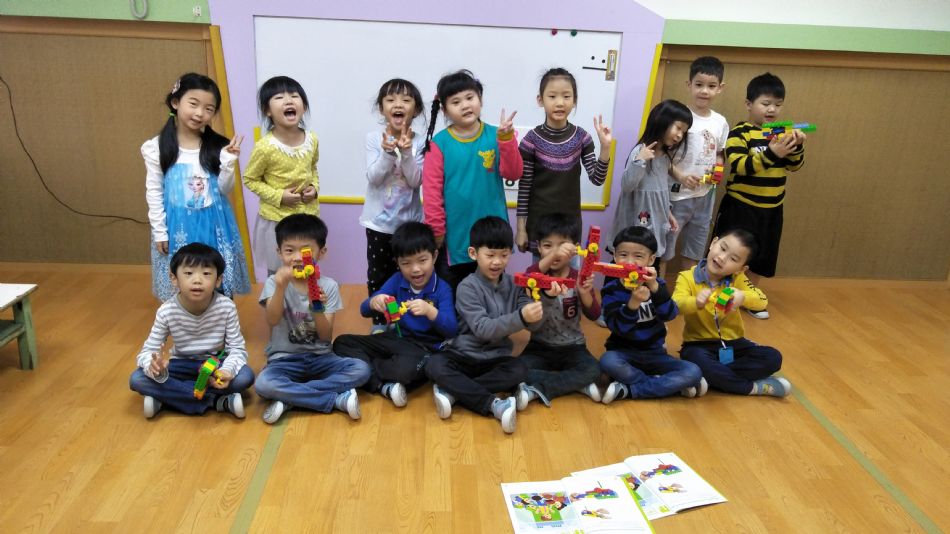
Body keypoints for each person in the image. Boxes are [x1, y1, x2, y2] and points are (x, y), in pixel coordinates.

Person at [143, 72, 250, 302]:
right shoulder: (157, 147)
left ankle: (222, 319)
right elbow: (154, 191)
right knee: (182, 278)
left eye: (209, 109)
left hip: (215, 223)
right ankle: (182, 322)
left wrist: (228, 163)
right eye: (193, 104)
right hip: (177, 225)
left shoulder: (218, 146)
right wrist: (160, 231)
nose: (200, 113)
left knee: (215, 276)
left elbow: (224, 189)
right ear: (175, 102)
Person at [254, 214, 371, 424]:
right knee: (263, 384)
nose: (298, 257)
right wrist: (280, 287)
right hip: (283, 359)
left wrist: (315, 305)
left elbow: (325, 336)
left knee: (361, 370)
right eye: (289, 250)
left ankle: (291, 397)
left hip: (321, 358)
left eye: (306, 251)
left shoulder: (329, 286)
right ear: (279, 252)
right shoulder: (274, 282)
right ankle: (334, 400)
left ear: (321, 252)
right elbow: (272, 320)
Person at [424, 216, 537, 434]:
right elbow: (483, 329)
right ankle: (492, 404)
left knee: (520, 368)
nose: (497, 262)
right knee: (434, 365)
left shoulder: (516, 285)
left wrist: (545, 301)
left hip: (495, 359)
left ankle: (456, 392)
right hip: (463, 356)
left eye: (504, 255)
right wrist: (522, 317)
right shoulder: (467, 287)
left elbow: (533, 325)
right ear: (473, 253)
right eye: (490, 255)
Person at [712, 72, 807, 320]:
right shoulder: (740, 132)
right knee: (730, 251)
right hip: (741, 206)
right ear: (749, 104)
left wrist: (796, 146)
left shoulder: (782, 133)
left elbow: (795, 166)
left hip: (772, 207)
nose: (772, 109)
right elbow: (739, 165)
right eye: (765, 103)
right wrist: (773, 153)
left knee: (761, 255)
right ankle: (719, 297)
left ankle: (749, 297)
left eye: (778, 104)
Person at [333, 222, 457, 407]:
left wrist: (430, 311)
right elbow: (364, 310)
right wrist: (374, 301)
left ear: (434, 256)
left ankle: (366, 375)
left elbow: (452, 329)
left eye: (422, 260)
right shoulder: (397, 280)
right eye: (406, 263)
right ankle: (382, 385)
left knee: (405, 371)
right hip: (396, 339)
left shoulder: (442, 289)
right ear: (397, 263)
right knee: (341, 343)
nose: (415, 269)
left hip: (425, 348)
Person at [421, 69, 522, 289]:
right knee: (454, 293)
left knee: (493, 293)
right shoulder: (438, 144)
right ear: (445, 110)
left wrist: (507, 140)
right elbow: (431, 194)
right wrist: (436, 232)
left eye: (470, 97)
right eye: (456, 102)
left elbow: (513, 173)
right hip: (455, 237)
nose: (465, 105)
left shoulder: (497, 135)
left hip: (493, 235)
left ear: (480, 99)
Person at [129, 243, 254, 418]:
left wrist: (227, 371)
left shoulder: (226, 307)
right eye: (188, 273)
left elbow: (237, 349)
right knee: (137, 379)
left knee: (245, 377)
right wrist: (153, 366)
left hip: (215, 365)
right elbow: (148, 351)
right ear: (174, 278)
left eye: (206, 273)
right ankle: (216, 401)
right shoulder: (167, 311)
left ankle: (167, 398)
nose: (197, 280)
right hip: (181, 364)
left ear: (218, 280)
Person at [672, 228, 791, 397]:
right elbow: (676, 305)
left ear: (741, 269)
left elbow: (761, 300)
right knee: (695, 359)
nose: (722, 258)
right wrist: (696, 302)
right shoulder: (687, 277)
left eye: (733, 259)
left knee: (773, 357)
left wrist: (742, 296)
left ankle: (711, 377)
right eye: (722, 248)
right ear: (713, 243)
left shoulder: (738, 279)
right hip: (698, 345)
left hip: (735, 343)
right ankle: (753, 388)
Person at [599, 226, 705, 404]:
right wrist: (633, 304)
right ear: (615, 257)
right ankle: (664, 385)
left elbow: (670, 314)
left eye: (638, 256)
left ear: (651, 259)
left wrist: (655, 288)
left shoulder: (658, 285)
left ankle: (630, 390)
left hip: (655, 353)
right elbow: (617, 327)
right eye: (623, 255)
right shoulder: (611, 290)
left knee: (693, 371)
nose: (630, 262)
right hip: (623, 353)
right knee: (607, 362)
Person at [515, 68, 612, 257]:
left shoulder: (582, 138)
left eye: (566, 96)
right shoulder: (530, 141)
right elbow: (524, 187)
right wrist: (520, 229)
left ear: (574, 100)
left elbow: (597, 179)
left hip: (569, 227)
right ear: (540, 100)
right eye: (552, 96)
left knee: (570, 274)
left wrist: (605, 148)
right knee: (539, 274)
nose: (560, 103)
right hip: (540, 227)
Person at [514, 213, 602, 409]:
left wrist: (584, 294)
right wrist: (555, 254)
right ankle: (574, 384)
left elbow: (595, 314)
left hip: (573, 347)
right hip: (539, 346)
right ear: (538, 247)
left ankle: (539, 388)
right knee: (514, 368)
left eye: (562, 246)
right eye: (548, 246)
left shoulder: (579, 277)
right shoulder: (535, 276)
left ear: (575, 248)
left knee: (595, 369)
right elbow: (530, 274)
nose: (556, 253)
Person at [361, 79, 427, 332]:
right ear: (381, 108)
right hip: (378, 224)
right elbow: (374, 178)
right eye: (390, 100)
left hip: (409, 224)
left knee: (410, 273)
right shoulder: (372, 139)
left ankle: (404, 320)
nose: (398, 105)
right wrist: (387, 153)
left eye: (406, 100)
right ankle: (380, 322)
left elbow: (416, 180)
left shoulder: (421, 141)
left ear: (416, 109)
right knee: (379, 274)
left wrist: (407, 153)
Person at [243, 76, 320, 275]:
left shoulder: (312, 139)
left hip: (307, 218)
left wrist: (314, 189)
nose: (288, 101)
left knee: (307, 269)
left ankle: (305, 296)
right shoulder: (265, 147)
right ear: (267, 110)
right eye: (279, 97)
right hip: (277, 221)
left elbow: (313, 168)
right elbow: (250, 179)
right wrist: (279, 196)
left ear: (304, 106)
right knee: (279, 272)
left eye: (294, 96)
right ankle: (277, 296)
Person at [609, 99, 692, 278]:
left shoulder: (665, 157)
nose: (680, 135)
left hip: (655, 227)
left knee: (650, 268)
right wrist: (640, 160)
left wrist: (668, 214)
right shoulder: (641, 151)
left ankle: (648, 294)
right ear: (661, 120)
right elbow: (627, 186)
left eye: (684, 132)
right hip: (635, 228)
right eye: (678, 128)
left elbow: (660, 193)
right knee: (624, 270)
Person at [665, 57, 730, 276]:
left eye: (711, 86)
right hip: (676, 195)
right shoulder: (679, 117)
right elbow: (663, 155)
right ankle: (658, 290)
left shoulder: (720, 122)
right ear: (689, 84)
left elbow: (719, 152)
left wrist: (718, 168)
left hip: (705, 195)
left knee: (695, 249)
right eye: (699, 84)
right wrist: (680, 175)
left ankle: (688, 290)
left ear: (720, 88)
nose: (704, 91)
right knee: (665, 248)